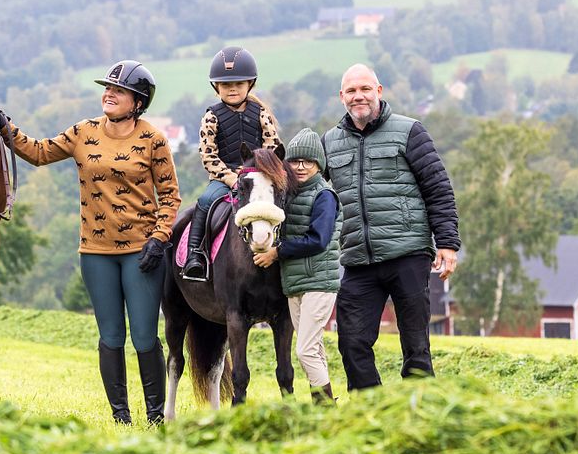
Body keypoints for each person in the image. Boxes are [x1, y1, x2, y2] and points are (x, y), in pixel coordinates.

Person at [0, 59, 180, 425]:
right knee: (110, 335)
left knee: (143, 337)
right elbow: (39, 152)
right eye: (107, 88)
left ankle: (155, 417)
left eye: (118, 90)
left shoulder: (153, 139)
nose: (108, 94)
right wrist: (4, 125)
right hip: (95, 254)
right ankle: (120, 418)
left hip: (142, 253)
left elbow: (170, 196)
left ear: (138, 102)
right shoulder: (83, 132)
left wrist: (159, 239)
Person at [323, 63, 461, 388]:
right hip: (358, 261)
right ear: (341, 97)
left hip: (408, 254)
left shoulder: (410, 131)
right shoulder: (329, 142)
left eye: (365, 89)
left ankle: (418, 411)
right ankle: (373, 412)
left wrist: (447, 243)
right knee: (352, 342)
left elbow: (438, 188)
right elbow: (308, 189)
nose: (359, 96)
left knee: (416, 347)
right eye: (352, 91)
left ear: (379, 91)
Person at [251, 128, 340, 404]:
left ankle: (325, 407)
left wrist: (276, 253)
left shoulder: (324, 195)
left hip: (318, 282)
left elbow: (318, 239)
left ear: (319, 165)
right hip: (296, 283)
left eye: (308, 162)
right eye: (295, 161)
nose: (300, 167)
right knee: (314, 349)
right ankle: (325, 406)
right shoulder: (287, 194)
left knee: (304, 351)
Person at [185, 45, 282, 279]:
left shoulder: (261, 113)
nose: (232, 89)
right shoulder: (211, 116)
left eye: (238, 84)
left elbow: (272, 145)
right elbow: (208, 155)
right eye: (226, 85)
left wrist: (260, 172)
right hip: (224, 176)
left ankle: (286, 248)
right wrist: (230, 178)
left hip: (258, 175)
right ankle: (195, 254)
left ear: (250, 84)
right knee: (205, 201)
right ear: (216, 87)